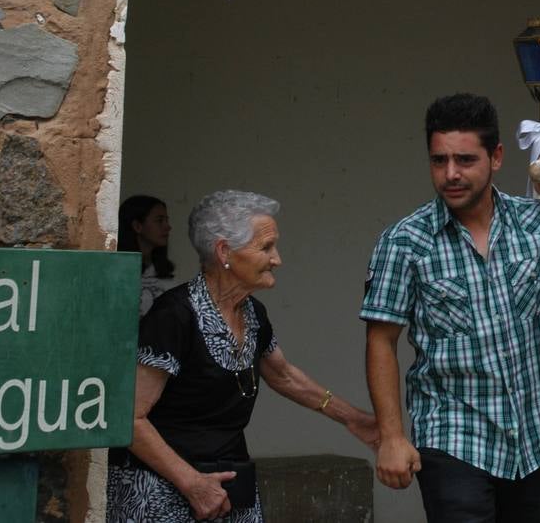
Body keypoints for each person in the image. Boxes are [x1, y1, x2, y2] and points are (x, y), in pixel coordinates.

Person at [361, 93, 540, 523]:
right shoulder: (405, 241)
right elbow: (381, 341)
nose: (450, 174)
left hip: (533, 435)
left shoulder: (532, 222)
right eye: (439, 161)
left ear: (496, 157)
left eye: (464, 160)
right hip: (454, 436)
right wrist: (392, 436)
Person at [107, 190, 378, 522]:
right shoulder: (175, 316)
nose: (277, 258)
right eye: (265, 247)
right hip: (161, 492)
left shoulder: (252, 312)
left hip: (230, 487)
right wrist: (192, 484)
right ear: (225, 251)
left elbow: (283, 375)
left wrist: (353, 419)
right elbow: (129, 418)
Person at [119, 194, 176, 316]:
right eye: (159, 220)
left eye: (167, 220)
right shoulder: (118, 275)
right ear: (137, 226)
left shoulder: (164, 274)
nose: (168, 227)